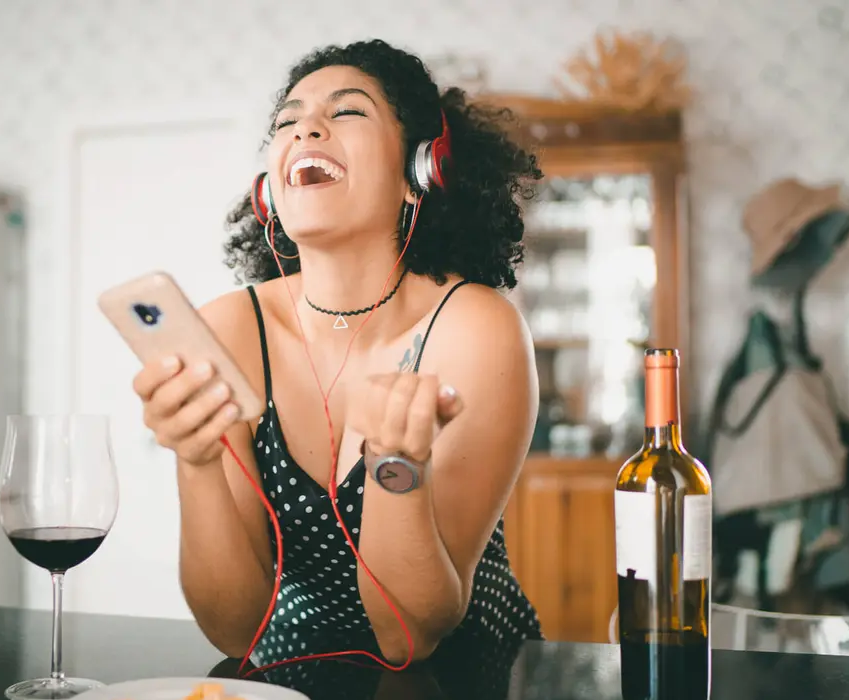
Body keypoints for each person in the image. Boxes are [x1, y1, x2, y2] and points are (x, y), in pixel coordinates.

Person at [131, 39, 544, 668]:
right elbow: (234, 628)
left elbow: (408, 636)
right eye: (287, 121)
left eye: (346, 112)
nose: (307, 129)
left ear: (420, 173)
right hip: (292, 683)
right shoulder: (231, 329)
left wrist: (394, 469)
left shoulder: (474, 328)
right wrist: (197, 463)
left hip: (465, 685)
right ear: (270, 192)